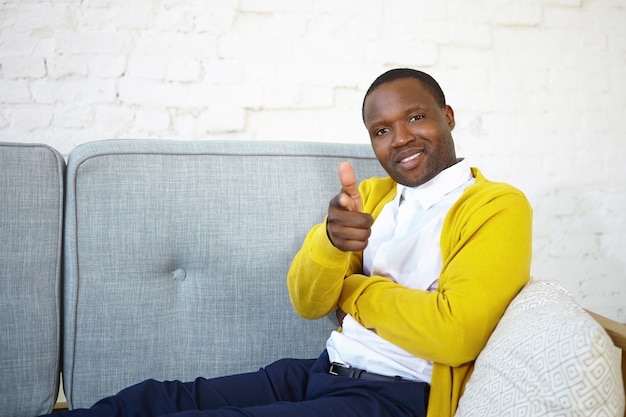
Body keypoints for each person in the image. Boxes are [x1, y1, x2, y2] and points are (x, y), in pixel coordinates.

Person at [43, 68, 532, 417]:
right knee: (156, 399)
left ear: (447, 116)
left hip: (395, 396)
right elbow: (306, 300)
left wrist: (355, 291)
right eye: (381, 130)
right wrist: (330, 241)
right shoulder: (370, 197)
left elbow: (454, 335)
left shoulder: (495, 205)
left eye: (415, 118)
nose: (399, 139)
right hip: (324, 370)